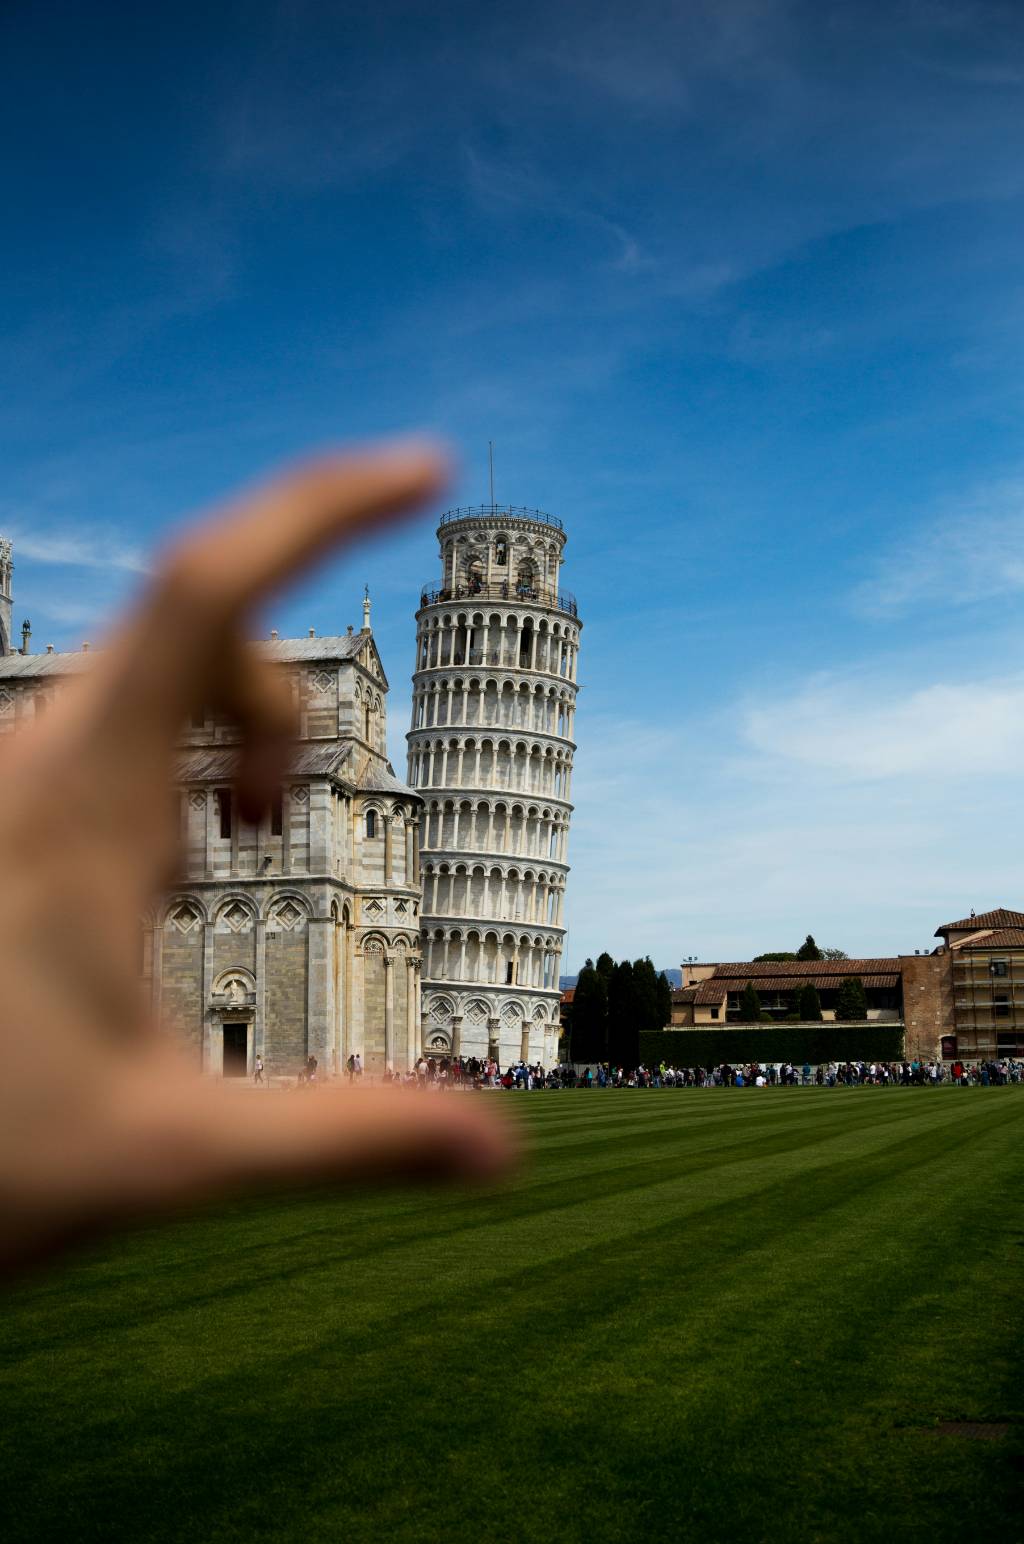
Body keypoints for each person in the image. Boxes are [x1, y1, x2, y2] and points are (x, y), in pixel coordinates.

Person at [0, 441, 513, 1275]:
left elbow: (338, 769)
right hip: (244, 883)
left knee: (349, 930)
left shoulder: (352, 744)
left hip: (307, 883)